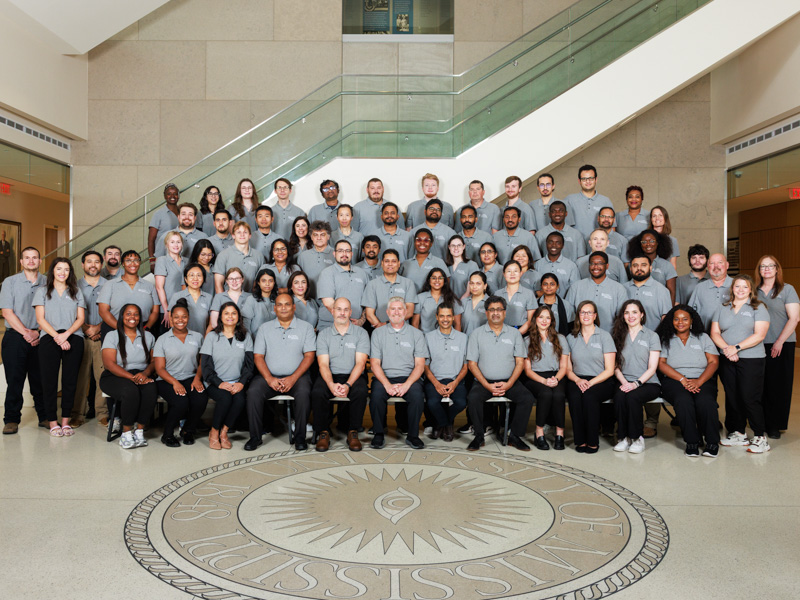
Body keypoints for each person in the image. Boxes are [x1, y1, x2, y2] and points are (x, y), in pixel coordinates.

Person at [246, 292, 316, 451]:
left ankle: (300, 437)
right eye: (279, 305)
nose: (283, 308)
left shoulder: (306, 328)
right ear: (274, 308)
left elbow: (309, 356)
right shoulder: (264, 328)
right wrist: (269, 378)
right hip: (269, 377)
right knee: (253, 392)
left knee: (304, 393)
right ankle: (255, 437)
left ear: (294, 307)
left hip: (298, 377)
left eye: (287, 304)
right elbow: (258, 357)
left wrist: (293, 378)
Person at [710, 275, 771, 453]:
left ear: (751, 289)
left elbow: (759, 335)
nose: (741, 290)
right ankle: (738, 433)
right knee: (733, 396)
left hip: (752, 359)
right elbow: (715, 332)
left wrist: (736, 348)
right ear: (732, 288)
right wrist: (728, 350)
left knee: (749, 397)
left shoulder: (758, 308)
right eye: (737, 286)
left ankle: (760, 437)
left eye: (745, 287)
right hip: (727, 358)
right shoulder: (723, 308)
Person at [466, 296, 533, 451]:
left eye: (499, 310)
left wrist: (509, 383)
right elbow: (472, 364)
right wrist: (487, 385)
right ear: (486, 312)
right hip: (484, 381)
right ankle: (479, 436)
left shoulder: (514, 334)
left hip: (509, 381)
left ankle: (515, 436)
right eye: (492, 310)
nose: (495, 313)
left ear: (504, 312)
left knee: (527, 398)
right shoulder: (476, 334)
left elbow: (520, 363)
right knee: (473, 398)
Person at [656, 305, 720, 457]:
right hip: (674, 380)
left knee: (706, 401)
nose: (680, 322)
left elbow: (713, 362)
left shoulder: (703, 337)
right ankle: (692, 441)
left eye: (685, 319)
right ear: (671, 321)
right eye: (676, 319)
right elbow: (661, 363)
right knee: (683, 400)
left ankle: (712, 442)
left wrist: (698, 381)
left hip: (701, 378)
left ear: (692, 320)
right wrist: (682, 379)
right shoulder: (665, 339)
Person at [33, 258, 85, 438]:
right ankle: (52, 422)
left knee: (70, 382)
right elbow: (40, 319)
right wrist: (57, 336)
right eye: (59, 268)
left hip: (73, 337)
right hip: (49, 337)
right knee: (49, 381)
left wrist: (66, 335)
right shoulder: (42, 292)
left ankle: (65, 422)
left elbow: (80, 319)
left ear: (70, 272)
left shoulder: (76, 292)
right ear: (52, 271)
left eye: (66, 269)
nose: (62, 272)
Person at [369, 296, 429, 449]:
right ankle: (379, 433)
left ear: (405, 311)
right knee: (376, 395)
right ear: (388, 312)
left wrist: (407, 384)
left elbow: (420, 365)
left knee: (416, 395)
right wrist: (387, 384)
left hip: (409, 376)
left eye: (400, 308)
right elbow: (375, 364)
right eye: (393, 309)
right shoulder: (378, 333)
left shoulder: (417, 334)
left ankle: (413, 436)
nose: (396, 312)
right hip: (385, 376)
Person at [312, 298, 370, 452]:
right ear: (332, 311)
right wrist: (331, 384)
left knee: (361, 391)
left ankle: (353, 432)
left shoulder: (361, 333)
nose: (342, 313)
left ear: (351, 312)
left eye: (346, 310)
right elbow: (323, 364)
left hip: (353, 375)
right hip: (330, 374)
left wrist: (348, 385)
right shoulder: (324, 335)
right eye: (338, 309)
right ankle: (323, 432)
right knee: (318, 391)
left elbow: (360, 364)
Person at [99, 304, 157, 449]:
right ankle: (126, 434)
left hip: (140, 374)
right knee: (130, 391)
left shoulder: (148, 336)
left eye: (136, 314)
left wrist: (144, 374)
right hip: (114, 375)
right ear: (122, 317)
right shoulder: (112, 335)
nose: (133, 317)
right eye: (128, 314)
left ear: (140, 318)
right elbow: (109, 364)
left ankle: (139, 431)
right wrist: (132, 378)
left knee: (151, 389)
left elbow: (155, 361)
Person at [755, 255, 800, 438]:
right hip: (758, 344)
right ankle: (761, 422)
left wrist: (779, 341)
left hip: (782, 344)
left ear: (776, 269)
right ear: (759, 270)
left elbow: (794, 318)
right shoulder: (754, 291)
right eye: (762, 266)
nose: (766, 269)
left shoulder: (787, 289)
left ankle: (775, 425)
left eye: (770, 266)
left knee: (779, 386)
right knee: (761, 385)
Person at [153, 299, 207, 447]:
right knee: (181, 403)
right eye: (176, 317)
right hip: (166, 380)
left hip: (190, 377)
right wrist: (175, 383)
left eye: (183, 316)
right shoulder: (162, 340)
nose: (180, 320)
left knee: (201, 399)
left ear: (188, 318)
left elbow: (203, 361)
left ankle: (187, 431)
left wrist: (197, 378)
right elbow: (159, 369)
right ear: (171, 319)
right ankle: (167, 435)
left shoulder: (197, 337)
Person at [200, 302, 254, 450]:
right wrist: (219, 383)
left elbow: (249, 364)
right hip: (214, 383)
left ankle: (224, 433)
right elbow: (205, 366)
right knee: (224, 398)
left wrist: (241, 383)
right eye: (226, 313)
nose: (230, 316)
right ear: (221, 317)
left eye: (233, 313)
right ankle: (214, 431)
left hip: (236, 382)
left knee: (240, 400)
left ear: (238, 317)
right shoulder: (212, 336)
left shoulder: (246, 336)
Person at [610, 300, 662, 454]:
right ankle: (623, 438)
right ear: (623, 316)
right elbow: (615, 365)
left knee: (633, 397)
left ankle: (637, 438)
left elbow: (652, 367)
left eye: (634, 312)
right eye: (627, 312)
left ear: (642, 314)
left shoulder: (652, 336)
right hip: (624, 380)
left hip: (648, 383)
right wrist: (625, 382)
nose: (630, 316)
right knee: (619, 397)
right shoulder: (618, 336)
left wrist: (636, 384)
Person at [565, 300, 617, 453]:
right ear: (578, 316)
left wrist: (590, 382)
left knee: (589, 397)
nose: (586, 315)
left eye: (589, 312)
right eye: (582, 312)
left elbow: (609, 370)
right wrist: (578, 380)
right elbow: (567, 368)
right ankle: (580, 441)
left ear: (595, 316)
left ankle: (592, 441)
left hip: (601, 379)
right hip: (577, 378)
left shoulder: (604, 336)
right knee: (575, 397)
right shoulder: (570, 337)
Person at [523, 306, 569, 450]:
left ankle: (560, 434)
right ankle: (539, 432)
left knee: (559, 395)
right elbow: (527, 370)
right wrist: (543, 381)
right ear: (535, 319)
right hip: (536, 377)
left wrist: (556, 379)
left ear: (552, 320)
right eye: (541, 317)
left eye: (548, 317)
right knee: (546, 393)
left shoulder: (560, 338)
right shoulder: (527, 340)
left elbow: (564, 366)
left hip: (557, 375)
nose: (544, 320)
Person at [73, 251, 109, 428]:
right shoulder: (73, 285)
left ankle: (102, 413)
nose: (93, 265)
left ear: (101, 265)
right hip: (80, 336)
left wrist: (98, 328)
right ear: (82, 265)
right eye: (89, 262)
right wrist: (85, 328)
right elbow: (69, 311)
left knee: (102, 377)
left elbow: (114, 310)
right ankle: (77, 414)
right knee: (80, 378)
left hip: (103, 337)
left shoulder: (110, 285)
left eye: (96, 262)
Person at [424, 304, 468, 441]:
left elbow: (466, 365)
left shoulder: (463, 338)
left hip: (456, 379)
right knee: (432, 402)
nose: (445, 319)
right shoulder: (428, 337)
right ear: (437, 317)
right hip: (434, 379)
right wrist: (437, 384)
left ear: (453, 318)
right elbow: (425, 366)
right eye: (442, 316)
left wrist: (455, 383)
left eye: (448, 315)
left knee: (461, 402)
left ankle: (441, 423)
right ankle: (446, 424)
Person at [97, 250, 159, 336]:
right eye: (128, 260)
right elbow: (103, 311)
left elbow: (155, 311)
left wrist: (147, 327)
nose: (132, 263)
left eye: (136, 260)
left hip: (143, 330)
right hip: (114, 329)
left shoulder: (149, 286)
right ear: (122, 263)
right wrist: (121, 329)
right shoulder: (110, 285)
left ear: (139, 263)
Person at [566, 251, 628, 333]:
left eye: (600, 263)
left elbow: (622, 318)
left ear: (607, 266)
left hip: (609, 337)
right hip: (580, 337)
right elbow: (568, 314)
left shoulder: (619, 288)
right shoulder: (576, 287)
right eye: (592, 263)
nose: (595, 267)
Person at [317, 240, 369, 330]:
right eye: (340, 251)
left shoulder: (362, 273)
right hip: (330, 326)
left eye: (347, 251)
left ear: (352, 254)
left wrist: (362, 320)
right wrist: (346, 321)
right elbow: (328, 303)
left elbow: (368, 301)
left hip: (356, 327)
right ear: (334, 253)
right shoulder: (327, 273)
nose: (344, 254)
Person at [362, 249, 417, 328]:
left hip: (403, 330)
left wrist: (387, 325)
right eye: (387, 261)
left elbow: (409, 312)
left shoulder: (408, 283)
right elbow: (369, 314)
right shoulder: (372, 284)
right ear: (382, 264)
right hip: (379, 331)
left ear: (398, 264)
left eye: (394, 261)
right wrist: (381, 329)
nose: (390, 264)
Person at [563, 165, 614, 239]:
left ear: (596, 179)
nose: (588, 181)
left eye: (591, 178)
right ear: (579, 181)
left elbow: (612, 228)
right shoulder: (569, 200)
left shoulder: (606, 201)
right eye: (584, 179)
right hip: (576, 244)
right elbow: (564, 227)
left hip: (598, 245)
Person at [213, 221, 265, 294]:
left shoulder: (258, 256)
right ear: (233, 235)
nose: (242, 235)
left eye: (245, 232)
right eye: (238, 232)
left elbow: (262, 282)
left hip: (251, 300)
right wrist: (223, 302)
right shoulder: (223, 255)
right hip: (229, 302)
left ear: (250, 235)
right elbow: (218, 284)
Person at [626, 229, 677, 302]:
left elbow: (672, 293)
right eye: (644, 242)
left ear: (658, 243)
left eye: (652, 241)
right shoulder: (633, 265)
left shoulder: (667, 265)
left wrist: (669, 312)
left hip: (660, 305)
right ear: (640, 244)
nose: (648, 244)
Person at [688, 252, 732, 332]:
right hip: (705, 337)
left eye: (720, 262)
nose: (716, 266)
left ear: (727, 265)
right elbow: (689, 313)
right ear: (708, 266)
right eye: (712, 263)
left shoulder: (738, 286)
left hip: (731, 339)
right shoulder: (699, 287)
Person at [413, 268, 462, 333]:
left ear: (444, 281)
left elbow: (457, 324)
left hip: (447, 340)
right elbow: (415, 324)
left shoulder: (452, 298)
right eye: (434, 278)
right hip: (425, 338)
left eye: (440, 278)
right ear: (429, 280)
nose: (437, 280)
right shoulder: (420, 298)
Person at [168, 263, 212, 334]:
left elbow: (211, 323)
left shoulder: (209, 298)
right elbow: (171, 321)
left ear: (203, 278)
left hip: (203, 339)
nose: (195, 279)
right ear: (185, 279)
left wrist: (206, 339)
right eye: (191, 275)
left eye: (199, 275)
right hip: (182, 340)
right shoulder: (176, 296)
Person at [154, 231, 185, 329]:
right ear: (167, 244)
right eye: (172, 242)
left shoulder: (187, 261)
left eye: (178, 242)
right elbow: (159, 287)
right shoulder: (162, 260)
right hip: (166, 309)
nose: (176, 245)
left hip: (183, 308)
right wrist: (167, 310)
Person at [296, 220, 334, 299]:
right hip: (308, 300)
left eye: (322, 235)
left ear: (328, 236)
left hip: (330, 300)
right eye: (315, 235)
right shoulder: (303, 256)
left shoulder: (336, 254)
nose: (319, 238)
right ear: (311, 237)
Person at [533, 232, 579, 296]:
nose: (554, 245)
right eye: (551, 242)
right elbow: (535, 288)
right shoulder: (537, 265)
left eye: (558, 243)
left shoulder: (571, 266)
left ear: (562, 245)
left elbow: (575, 290)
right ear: (546, 244)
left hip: (564, 304)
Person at [147, 183, 180, 273]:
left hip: (179, 258)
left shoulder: (183, 213)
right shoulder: (158, 214)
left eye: (175, 194)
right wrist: (152, 261)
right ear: (165, 196)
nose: (172, 196)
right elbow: (151, 239)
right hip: (163, 257)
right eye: (169, 193)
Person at [496, 261, 535, 335]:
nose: (512, 274)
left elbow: (531, 320)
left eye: (515, 271)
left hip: (522, 333)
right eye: (509, 271)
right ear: (504, 274)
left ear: (521, 273)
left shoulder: (529, 294)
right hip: (500, 333)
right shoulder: (497, 294)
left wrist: (516, 334)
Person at [241, 268, 278, 335]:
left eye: (270, 281)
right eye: (263, 281)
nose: (267, 284)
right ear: (258, 282)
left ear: (274, 282)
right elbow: (246, 325)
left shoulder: (278, 300)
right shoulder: (251, 300)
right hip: (255, 340)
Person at [462, 271, 490, 337]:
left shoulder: (490, 303)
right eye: (472, 283)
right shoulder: (463, 302)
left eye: (478, 284)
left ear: (485, 286)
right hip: (464, 342)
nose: (474, 286)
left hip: (482, 343)